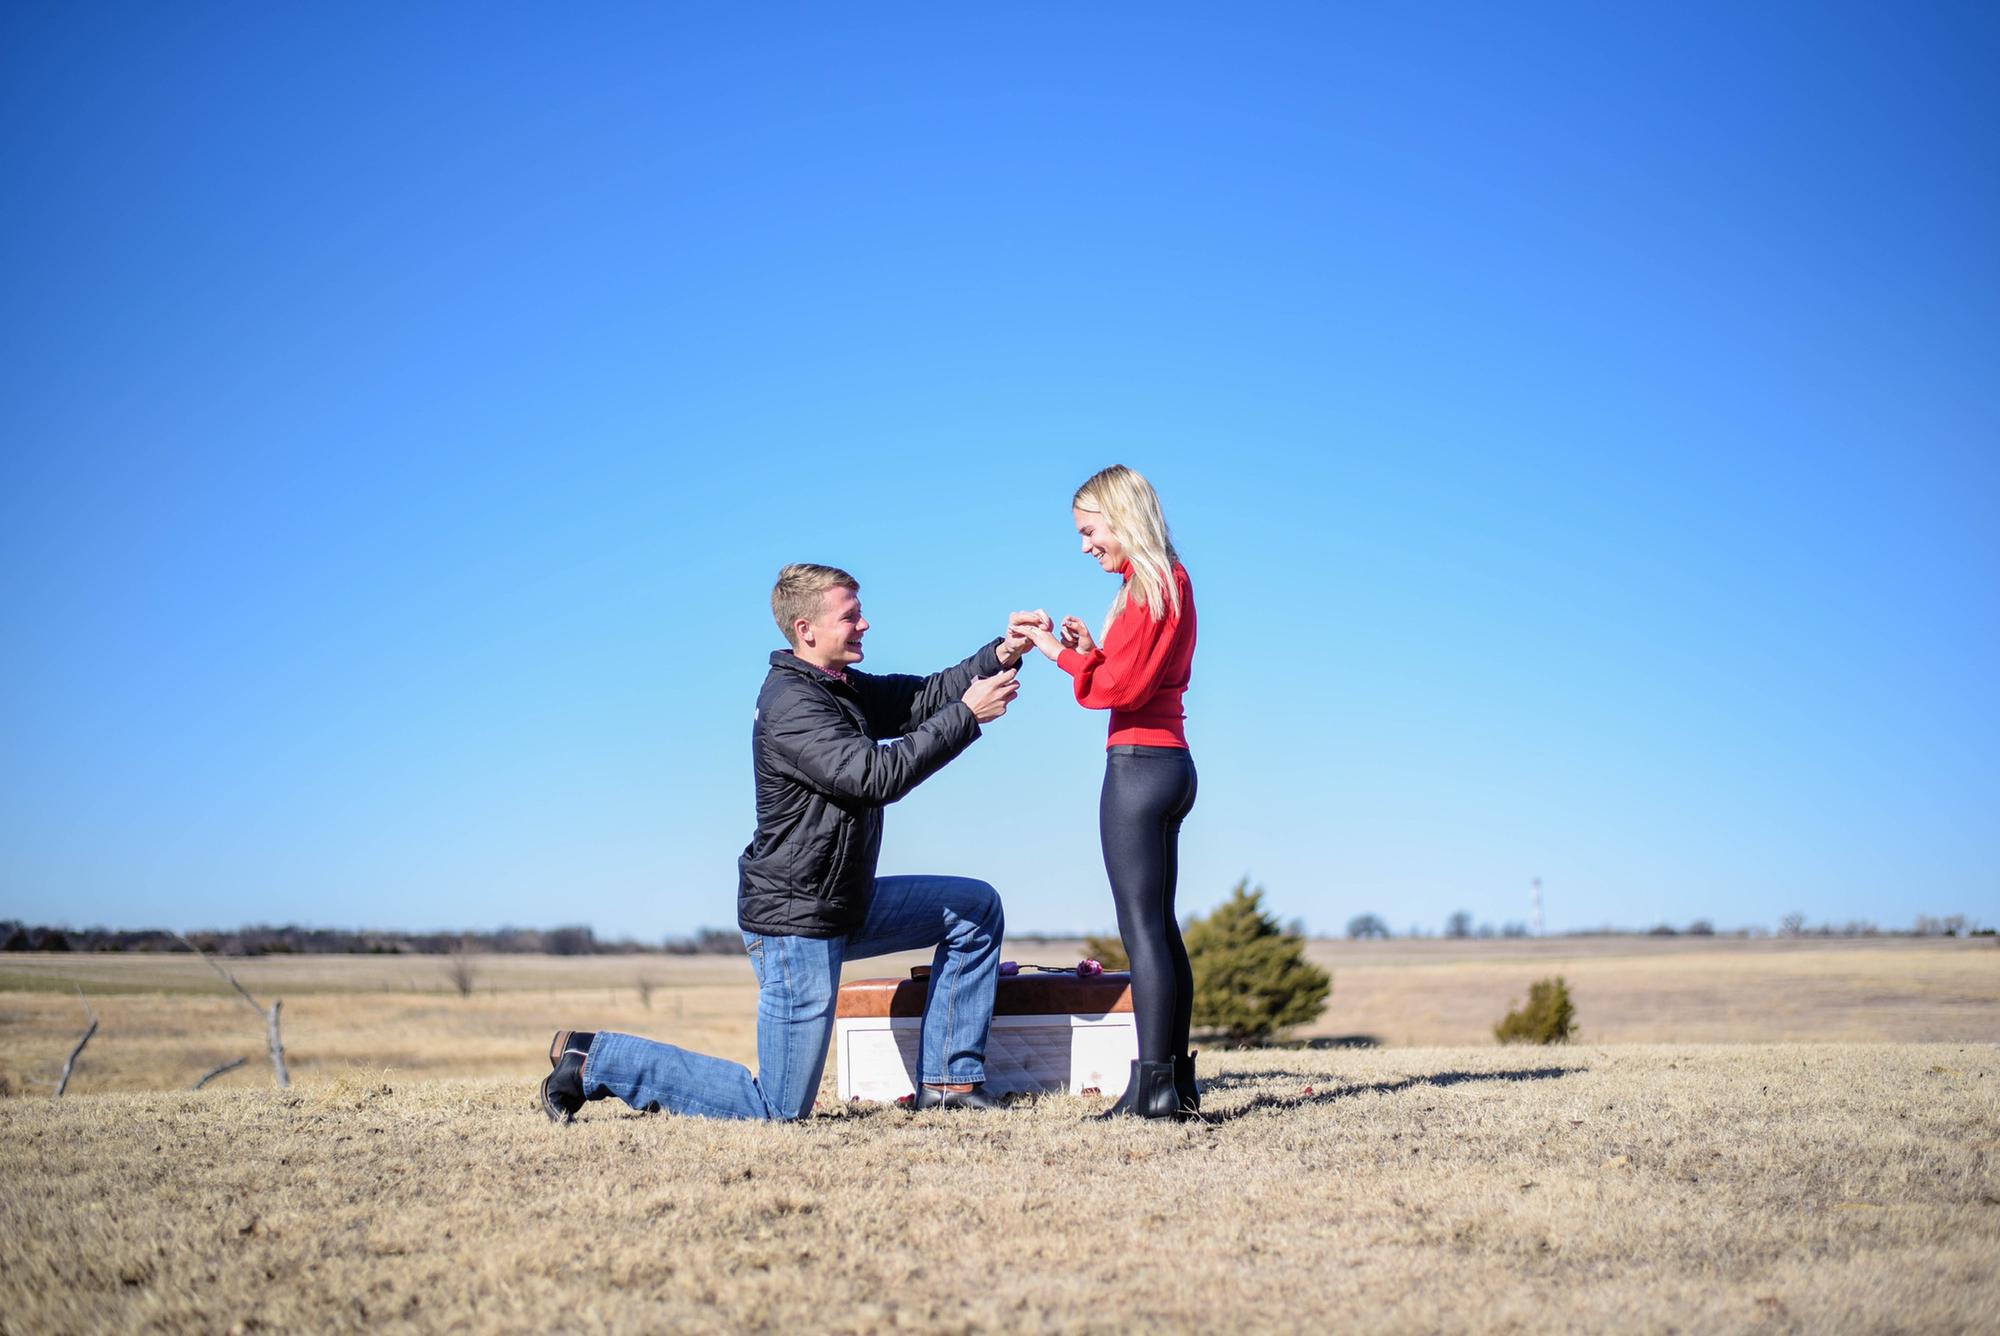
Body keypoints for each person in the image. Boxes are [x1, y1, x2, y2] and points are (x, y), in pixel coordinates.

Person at [540, 562, 1030, 1122]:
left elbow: (921, 698)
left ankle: (949, 1084)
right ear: (806, 629)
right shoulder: (792, 704)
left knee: (974, 910)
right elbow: (874, 776)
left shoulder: (838, 687)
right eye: (850, 615)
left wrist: (1002, 653)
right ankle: (594, 1059)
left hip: (842, 901)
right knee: (777, 1109)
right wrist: (967, 716)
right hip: (796, 923)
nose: (865, 624)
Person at [1014, 465, 1200, 1120]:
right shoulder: (1166, 583)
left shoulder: (1149, 586)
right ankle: (1175, 1083)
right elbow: (1132, 675)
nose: (1085, 545)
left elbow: (1120, 691)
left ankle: (1153, 1090)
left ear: (1123, 518)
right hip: (1171, 763)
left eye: (1090, 531)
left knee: (1142, 930)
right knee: (1160, 929)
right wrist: (1092, 651)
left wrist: (1056, 653)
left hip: (1138, 768)